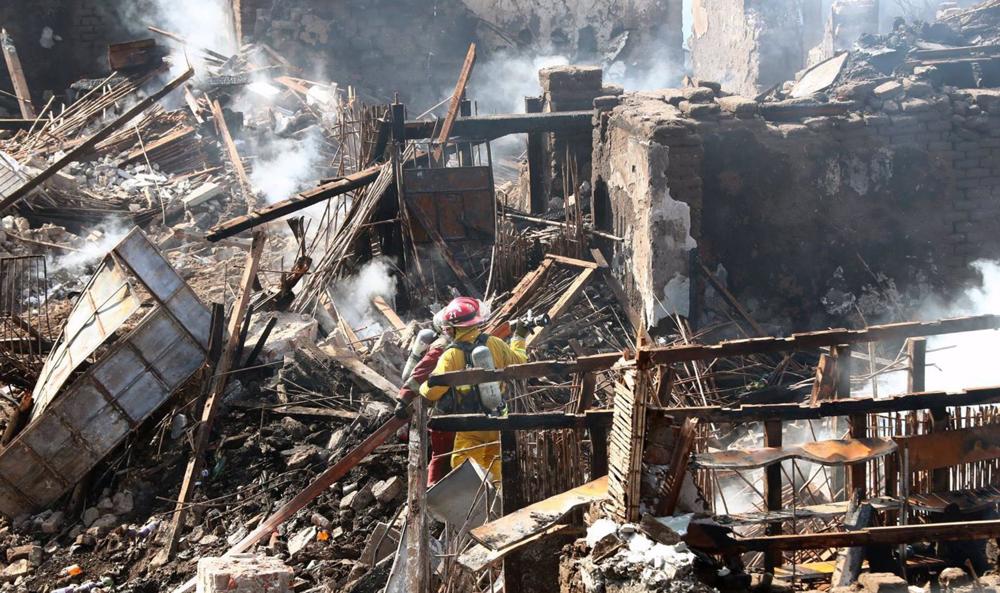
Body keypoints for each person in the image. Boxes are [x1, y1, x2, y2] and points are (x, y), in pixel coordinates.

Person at [416, 297, 529, 480]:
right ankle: (498, 500)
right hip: (498, 416)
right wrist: (519, 338)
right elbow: (520, 363)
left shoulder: (451, 355)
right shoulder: (495, 343)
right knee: (495, 460)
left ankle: (476, 503)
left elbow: (432, 391)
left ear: (453, 328)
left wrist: (422, 387)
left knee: (463, 464)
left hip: (471, 423)